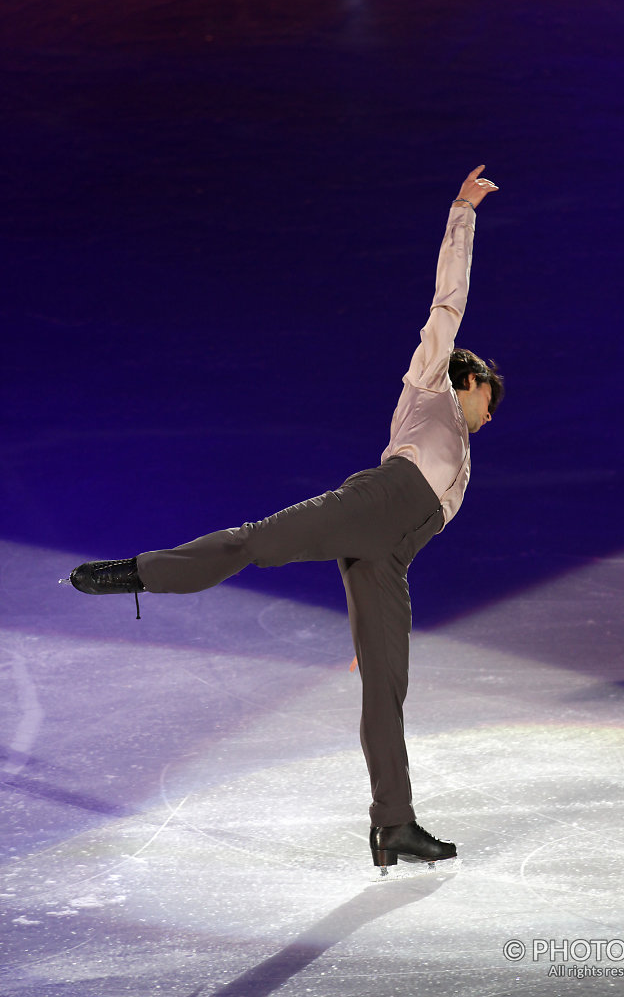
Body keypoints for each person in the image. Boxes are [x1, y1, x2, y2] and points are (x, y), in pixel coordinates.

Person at [66, 165, 503, 872]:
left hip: (390, 556)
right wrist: (462, 211)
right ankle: (139, 572)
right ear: (473, 381)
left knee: (385, 686)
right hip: (376, 501)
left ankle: (393, 825)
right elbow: (446, 301)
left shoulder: (462, 457)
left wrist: (377, 601)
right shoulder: (430, 384)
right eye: (490, 400)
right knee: (255, 543)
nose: (489, 416)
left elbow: (420, 528)